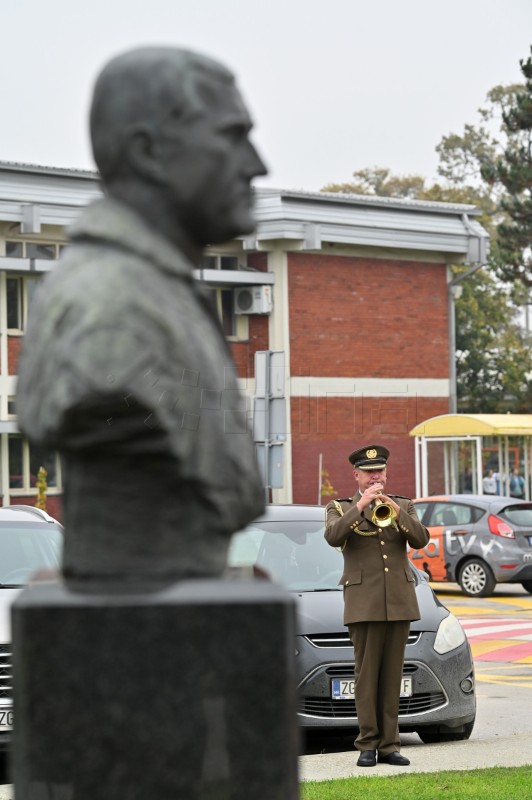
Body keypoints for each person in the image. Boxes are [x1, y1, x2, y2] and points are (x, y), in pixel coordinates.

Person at [15, 47, 268, 586]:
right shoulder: (107, 307)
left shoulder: (159, 291)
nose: (256, 164)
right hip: (138, 597)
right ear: (149, 152)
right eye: (230, 136)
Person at [325, 444, 430, 767]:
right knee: (367, 676)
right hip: (363, 603)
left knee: (392, 677)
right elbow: (332, 537)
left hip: (399, 601)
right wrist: (363, 505)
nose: (375, 476)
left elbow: (421, 539)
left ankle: (390, 745)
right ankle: (368, 744)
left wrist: (396, 514)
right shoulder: (340, 508)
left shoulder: (402, 505)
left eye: (380, 471)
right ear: (356, 475)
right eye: (369, 472)